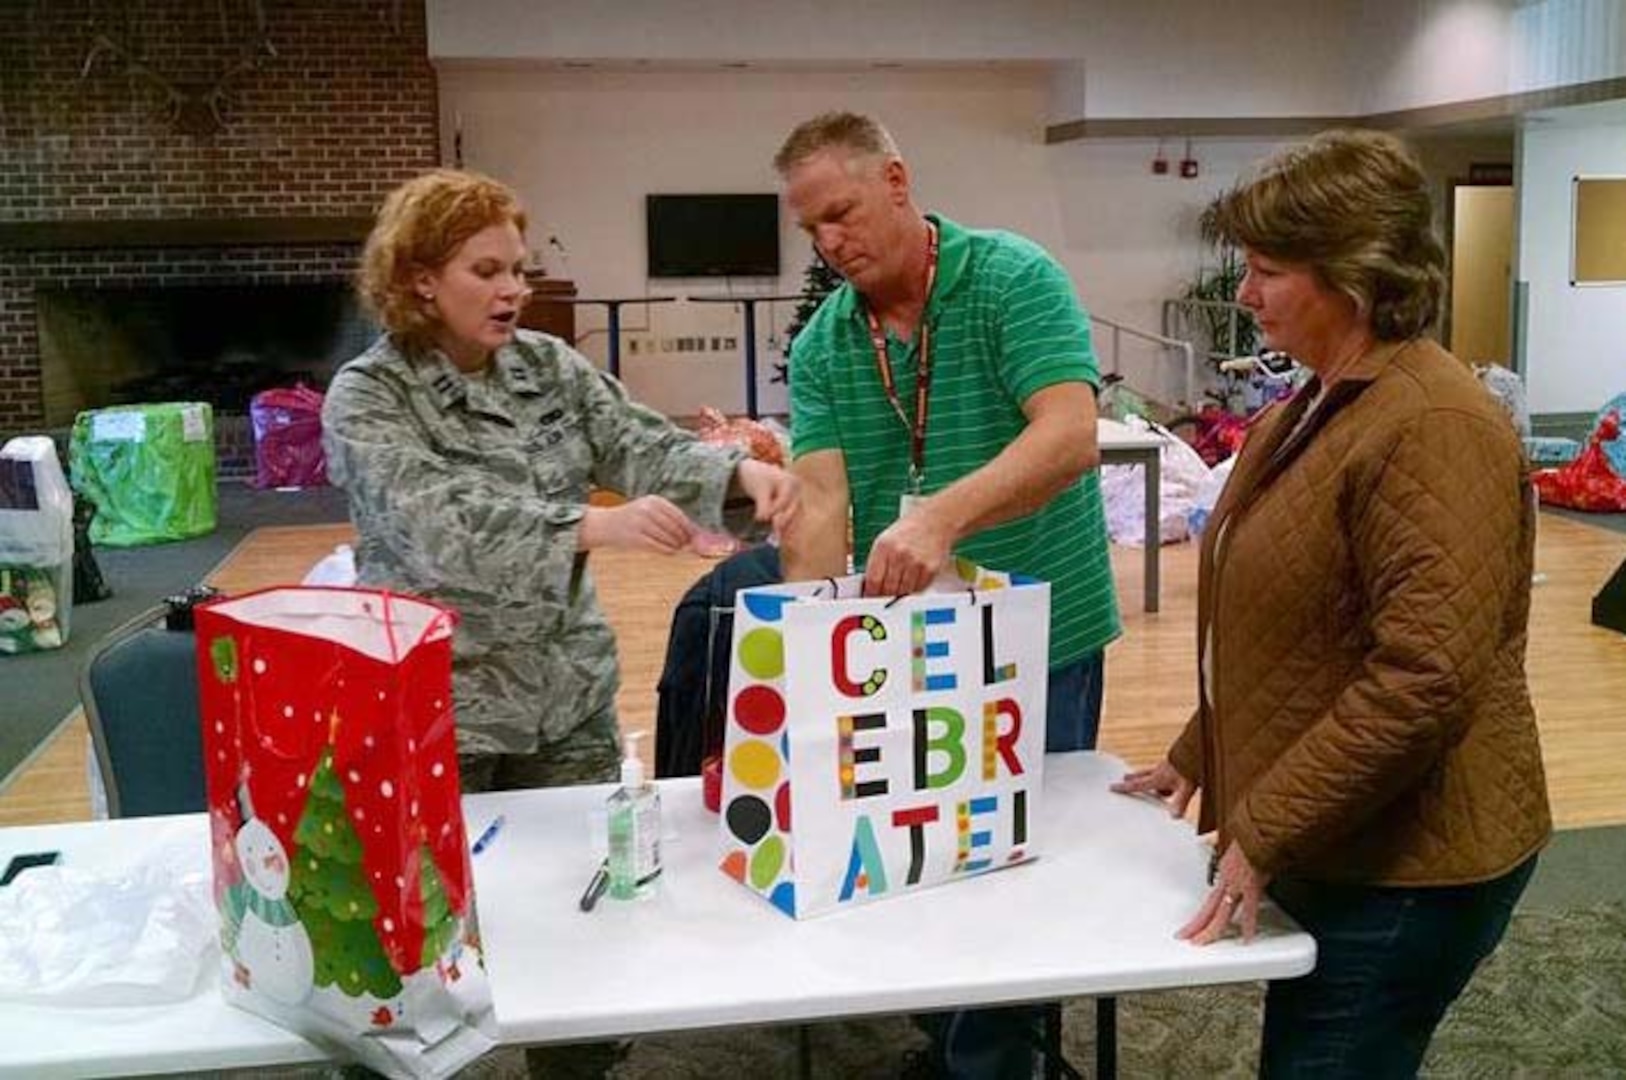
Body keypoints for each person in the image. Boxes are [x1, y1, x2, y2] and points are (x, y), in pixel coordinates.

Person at [1113, 130, 1551, 1078]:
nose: (1244, 294)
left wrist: (1265, 826)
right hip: (1356, 833)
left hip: (1415, 863)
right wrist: (1204, 746)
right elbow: (1306, 625)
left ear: (1353, 279)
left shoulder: (1432, 426)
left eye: (1269, 270)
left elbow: (1424, 678)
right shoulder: (1324, 401)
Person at [774, 111, 1121, 1080]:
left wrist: (939, 519)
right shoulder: (824, 347)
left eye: (840, 213)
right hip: (913, 654)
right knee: (924, 846)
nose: (830, 243)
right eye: (811, 231)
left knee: (1021, 859)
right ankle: (958, 1033)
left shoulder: (1014, 280)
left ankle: (1003, 1056)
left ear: (896, 178)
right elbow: (821, 504)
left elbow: (1069, 436)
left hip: (1040, 639)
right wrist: (802, 642)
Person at [324, 168, 800, 796]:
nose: (512, 291)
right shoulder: (369, 395)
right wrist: (596, 524)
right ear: (422, 279)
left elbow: (638, 443)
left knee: (586, 877)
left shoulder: (548, 366)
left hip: (567, 705)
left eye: (518, 271)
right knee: (457, 888)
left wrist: (738, 472)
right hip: (440, 713)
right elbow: (435, 526)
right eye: (486, 271)